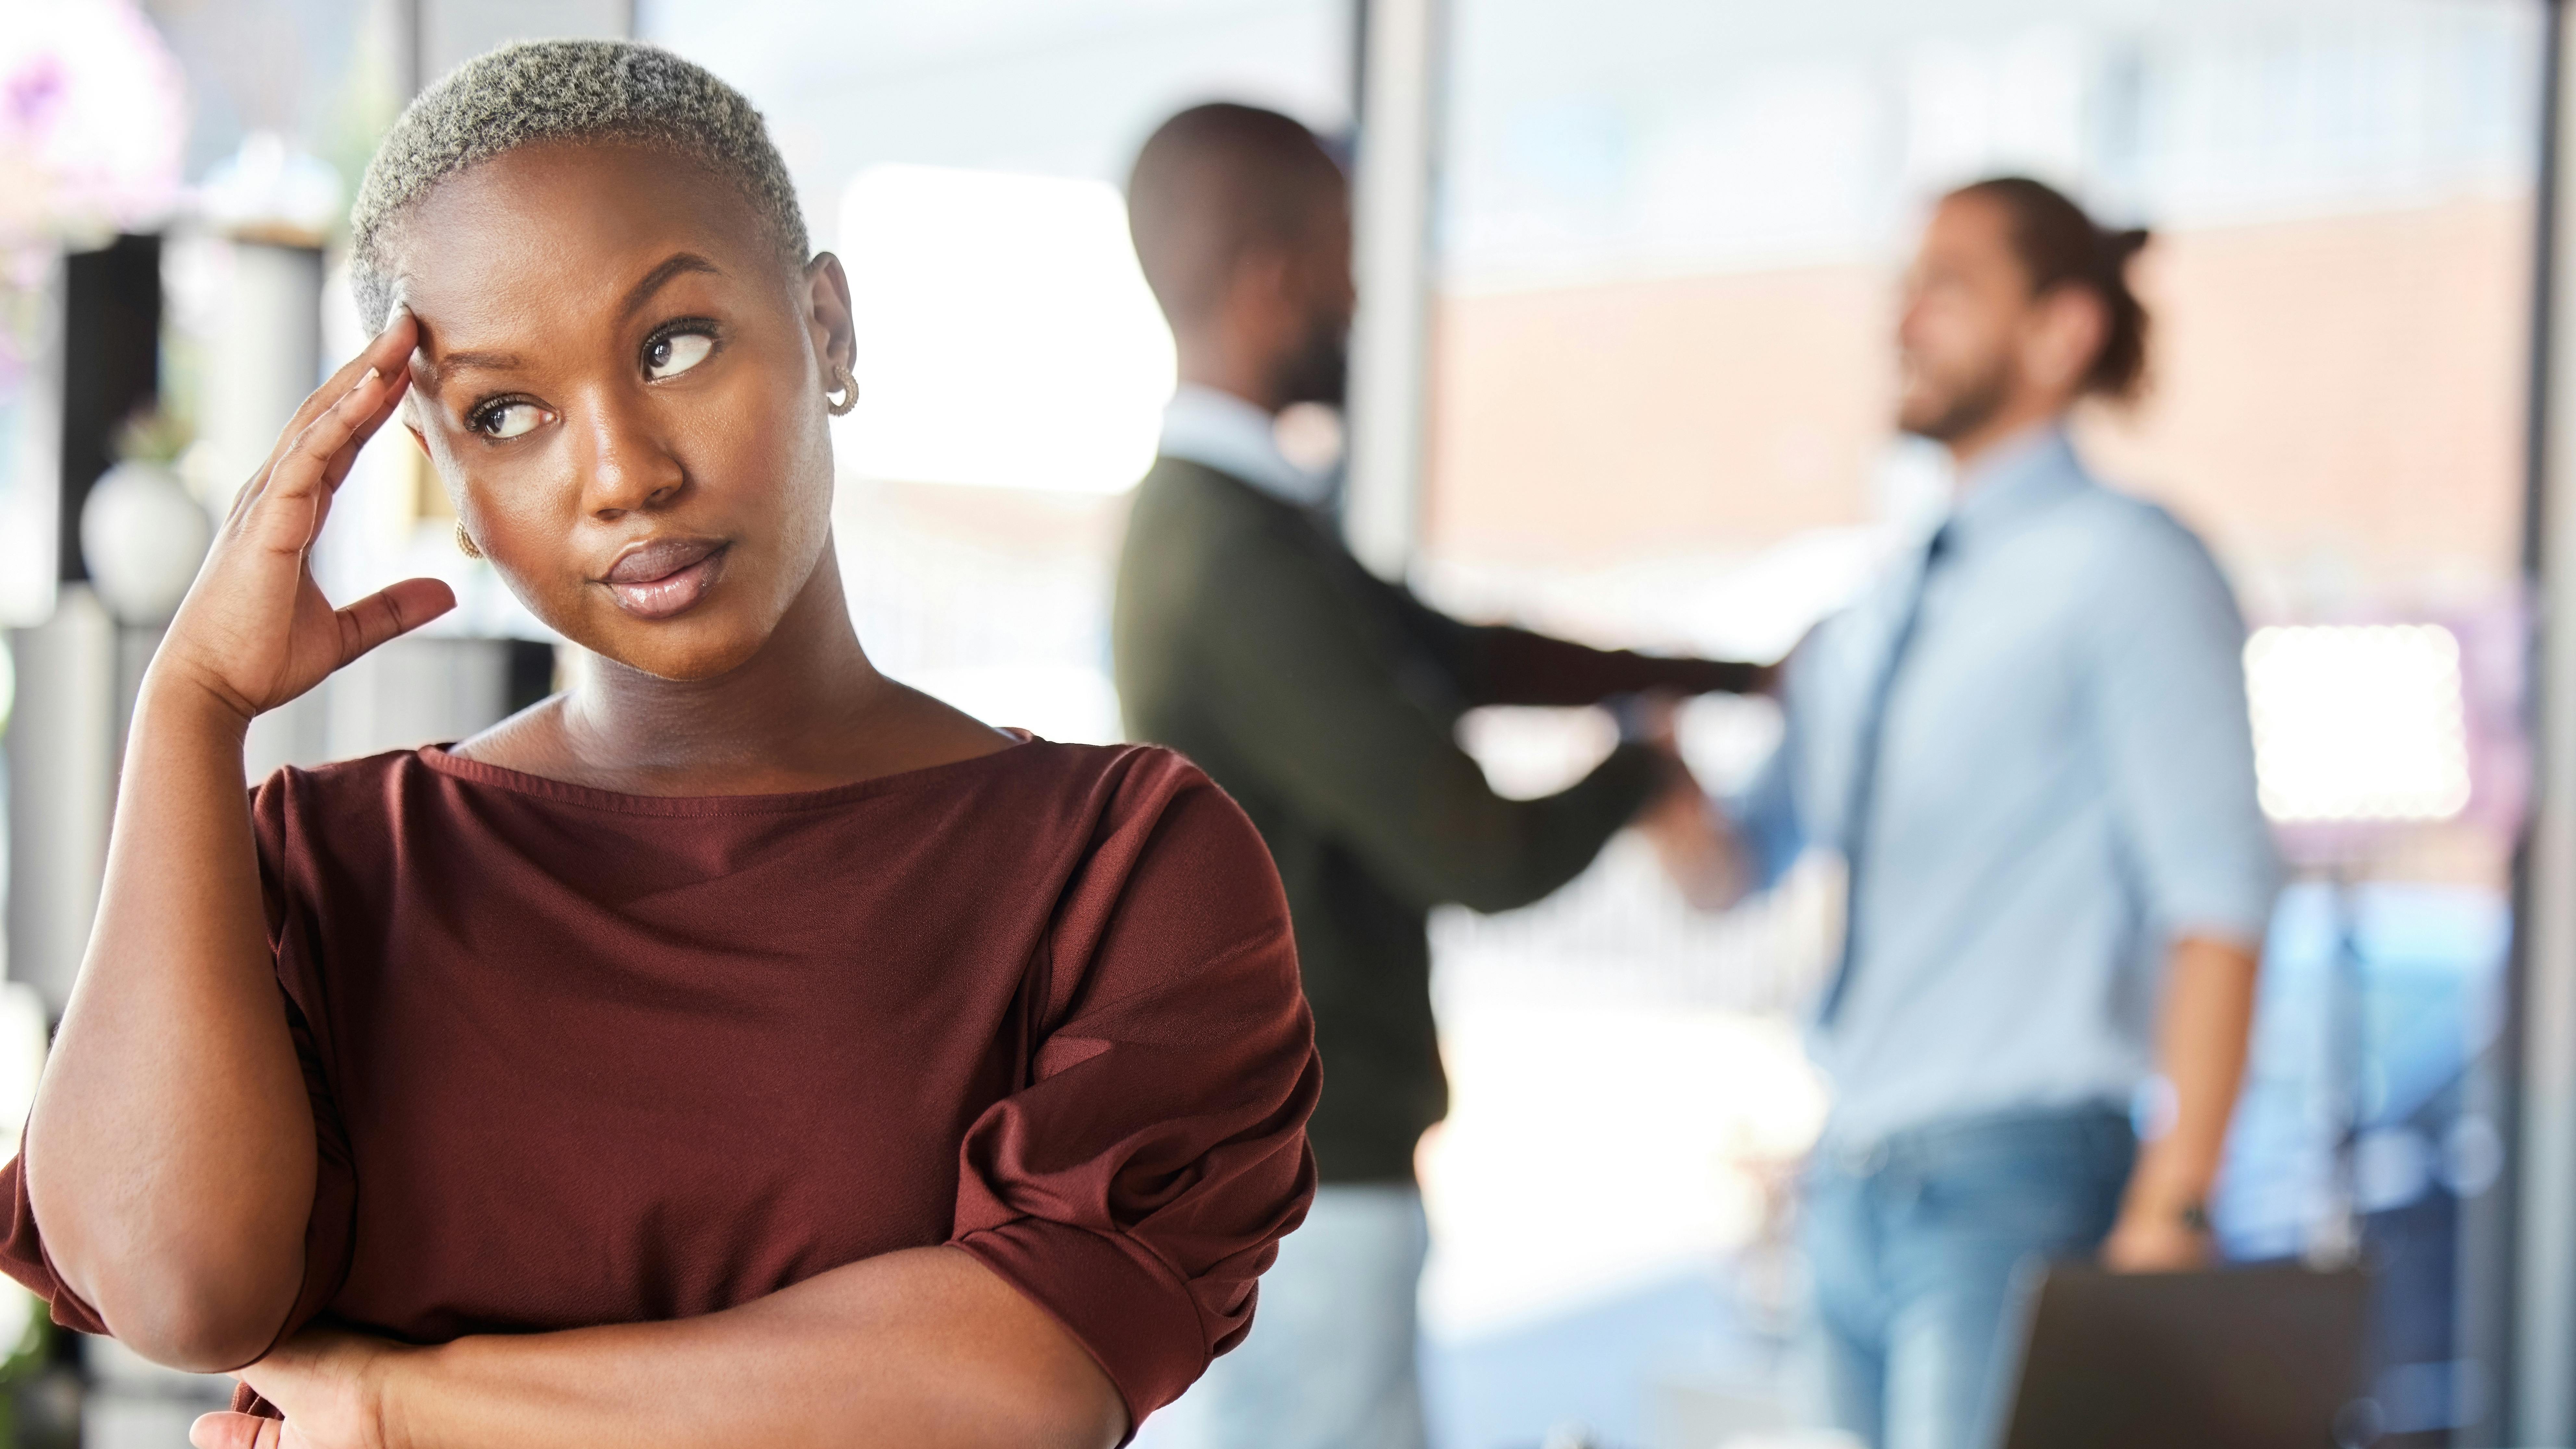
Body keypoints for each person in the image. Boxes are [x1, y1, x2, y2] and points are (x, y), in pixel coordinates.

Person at [3, 41, 1319, 1449]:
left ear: (828, 330)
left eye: (673, 345)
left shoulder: (1120, 866)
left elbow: (1012, 1386)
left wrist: (395, 1407)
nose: (624, 472)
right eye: (508, 415)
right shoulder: (327, 872)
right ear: (447, 478)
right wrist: (191, 704)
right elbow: (176, 1291)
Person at [1112, 103, 1767, 1449]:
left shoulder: (1240, 529)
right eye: (1348, 261)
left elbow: (1456, 649)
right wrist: (1640, 781)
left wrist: (1717, 676)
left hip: (1298, 1176)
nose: (1361, 299)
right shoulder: (1235, 561)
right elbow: (1474, 849)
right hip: (1308, 1187)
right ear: (1273, 281)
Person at [1715, 178, 2281, 1449]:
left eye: (1948, 287)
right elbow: (1740, 861)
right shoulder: (1874, 606)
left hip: (2017, 1183)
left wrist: (2172, 1208)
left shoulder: (2127, 566)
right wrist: (1621, 746)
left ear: (2061, 332)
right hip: (1848, 1180)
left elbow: (2221, 900)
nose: (1902, 319)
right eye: (1904, 286)